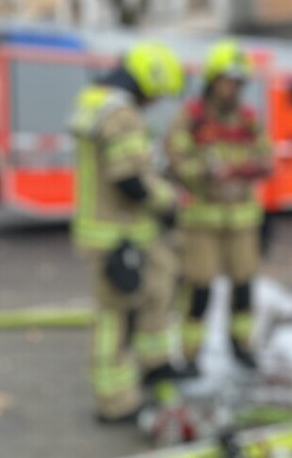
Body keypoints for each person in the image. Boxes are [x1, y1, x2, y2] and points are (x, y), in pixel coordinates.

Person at [69, 42, 183, 423]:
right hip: (117, 236)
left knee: (158, 291)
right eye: (157, 93)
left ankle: (155, 365)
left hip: (130, 232)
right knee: (115, 318)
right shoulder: (120, 114)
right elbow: (130, 179)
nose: (155, 102)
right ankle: (115, 401)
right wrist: (167, 202)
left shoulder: (98, 104)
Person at [165, 40, 272, 375]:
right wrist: (206, 173)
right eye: (228, 80)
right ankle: (191, 355)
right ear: (212, 80)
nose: (234, 88)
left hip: (241, 219)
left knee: (244, 286)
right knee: (199, 288)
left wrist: (240, 171)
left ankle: (241, 347)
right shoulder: (191, 119)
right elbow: (177, 161)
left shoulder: (249, 120)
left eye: (239, 82)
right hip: (201, 221)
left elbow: (267, 158)